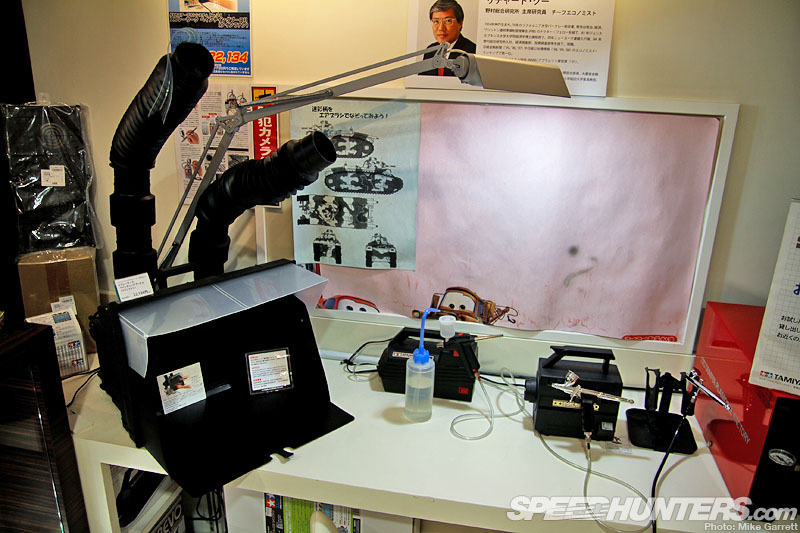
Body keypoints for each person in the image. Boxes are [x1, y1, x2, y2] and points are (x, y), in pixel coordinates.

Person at [420, 0, 476, 77]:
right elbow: (422, 81)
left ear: (460, 23)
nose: (441, 28)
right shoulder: (430, 51)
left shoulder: (471, 51)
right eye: (436, 21)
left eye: (448, 21)